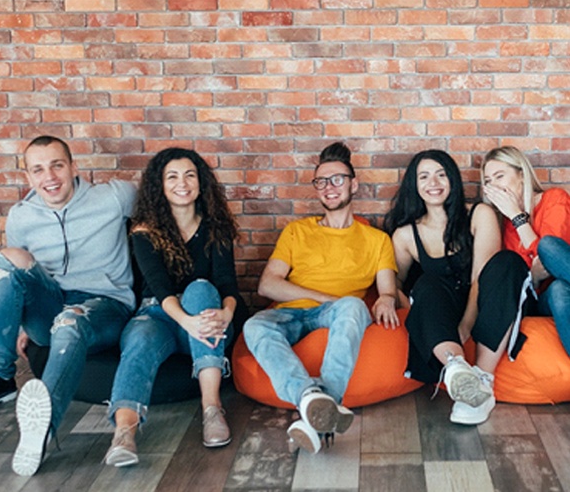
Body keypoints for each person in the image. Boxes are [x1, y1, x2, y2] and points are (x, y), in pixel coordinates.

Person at [0, 135, 136, 476]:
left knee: (70, 322)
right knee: (6, 260)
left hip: (104, 307)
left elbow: (164, 206)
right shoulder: (21, 216)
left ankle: (42, 433)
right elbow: (21, 280)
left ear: (73, 167)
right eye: (38, 170)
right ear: (28, 178)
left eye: (56, 165)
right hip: (50, 306)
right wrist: (23, 327)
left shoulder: (113, 196)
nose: (48, 177)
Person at [243, 142, 399, 454]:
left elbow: (387, 290)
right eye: (321, 182)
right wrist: (325, 297)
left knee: (354, 305)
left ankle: (312, 408)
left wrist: (388, 297)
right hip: (291, 314)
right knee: (254, 326)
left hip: (340, 315)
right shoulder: (297, 231)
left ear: (354, 184)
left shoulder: (377, 240)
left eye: (337, 180)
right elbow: (267, 285)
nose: (329, 188)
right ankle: (314, 401)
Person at [104, 147, 245, 468]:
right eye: (172, 177)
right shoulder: (144, 232)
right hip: (159, 315)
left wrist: (226, 313)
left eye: (189, 175)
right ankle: (124, 432)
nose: (182, 183)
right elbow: (160, 288)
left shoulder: (216, 228)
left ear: (201, 183)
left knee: (200, 289)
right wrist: (187, 321)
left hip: (207, 317)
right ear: (160, 185)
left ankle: (212, 410)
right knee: (140, 338)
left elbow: (228, 286)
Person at [384, 149, 523, 426]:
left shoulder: (479, 214)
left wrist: (466, 325)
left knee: (508, 262)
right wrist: (409, 307)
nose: (433, 183)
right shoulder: (405, 235)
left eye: (441, 174)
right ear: (415, 185)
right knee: (426, 284)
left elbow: (481, 277)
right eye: (424, 176)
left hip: (486, 301)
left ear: (453, 180)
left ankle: (482, 383)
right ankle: (456, 368)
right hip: (440, 308)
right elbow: (396, 281)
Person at [482, 146, 570, 356]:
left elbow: (551, 257)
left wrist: (518, 217)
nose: (493, 185)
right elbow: (526, 275)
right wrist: (534, 276)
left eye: (499, 176)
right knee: (553, 286)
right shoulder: (499, 223)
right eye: (487, 181)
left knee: (557, 283)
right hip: (537, 299)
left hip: (563, 285)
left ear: (521, 174)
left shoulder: (554, 199)